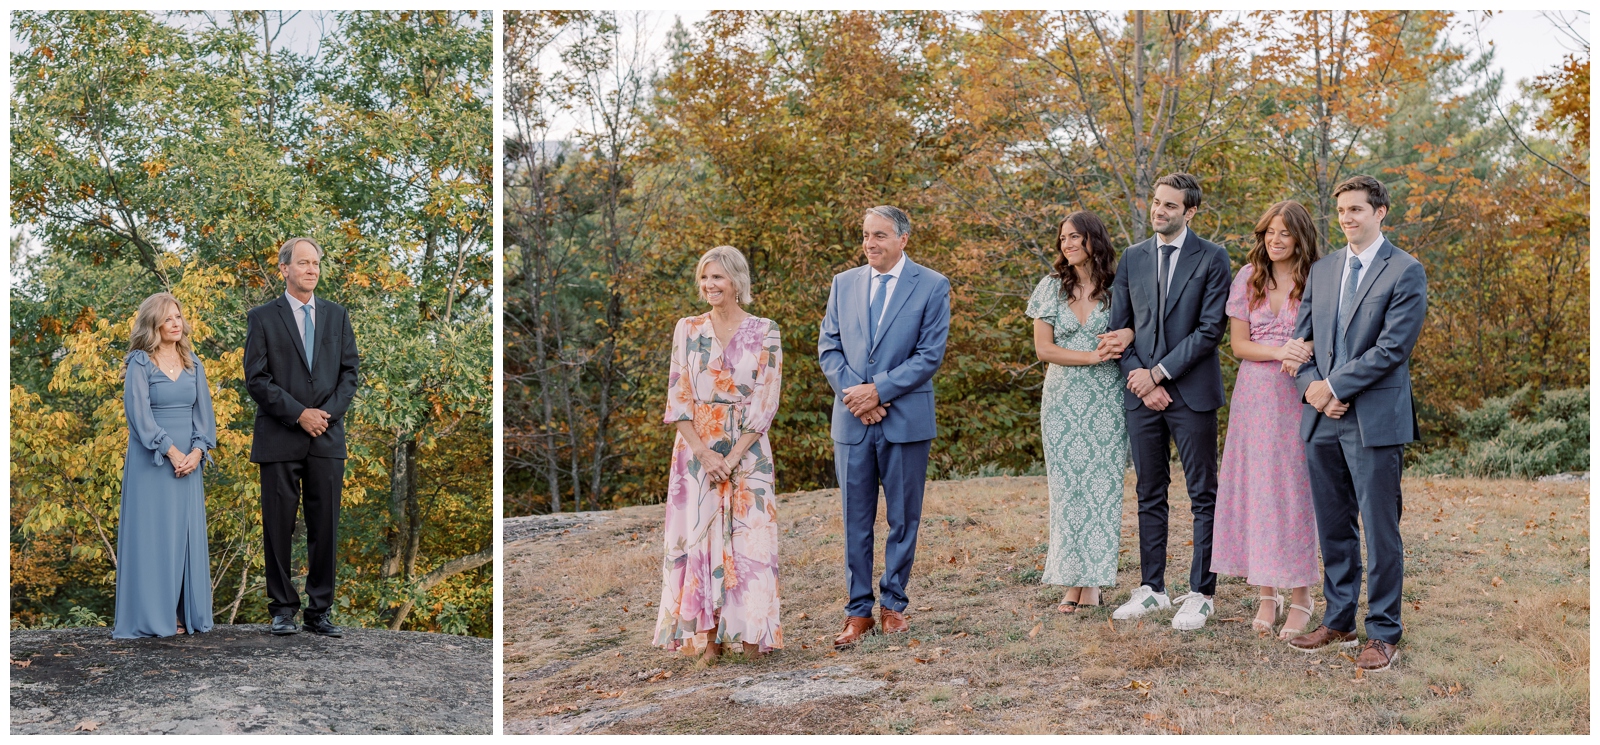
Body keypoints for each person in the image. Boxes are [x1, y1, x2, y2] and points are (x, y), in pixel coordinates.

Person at [1285, 175, 1426, 672]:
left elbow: (1392, 349)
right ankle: (1339, 617)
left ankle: (1384, 631)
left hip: (1374, 419)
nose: (1347, 218)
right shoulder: (1323, 271)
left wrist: (1335, 386)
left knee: (1380, 528)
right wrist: (1312, 389)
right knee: (1333, 525)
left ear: (1380, 212)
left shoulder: (1405, 271)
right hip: (1321, 418)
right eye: (1341, 211)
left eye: (1357, 210)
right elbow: (1299, 346)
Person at [1099, 173, 1232, 631]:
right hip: (1141, 394)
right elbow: (1120, 328)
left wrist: (1160, 374)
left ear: (1190, 212)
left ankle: (1201, 592)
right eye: (1156, 203)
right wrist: (1140, 379)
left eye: (1170, 206)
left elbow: (1210, 330)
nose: (1159, 211)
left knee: (1203, 495)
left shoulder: (1213, 258)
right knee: (1148, 492)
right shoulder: (1132, 258)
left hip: (1191, 393)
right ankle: (1152, 588)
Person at [818, 206, 951, 647]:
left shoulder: (932, 285)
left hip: (905, 420)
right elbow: (829, 349)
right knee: (855, 519)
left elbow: (930, 355)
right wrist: (856, 396)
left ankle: (893, 604)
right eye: (865, 236)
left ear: (903, 239)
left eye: (879, 235)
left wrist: (879, 391)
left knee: (902, 518)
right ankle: (858, 613)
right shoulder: (843, 284)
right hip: (852, 420)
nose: (870, 243)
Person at [653, 246, 785, 666]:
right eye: (705, 278)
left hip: (749, 449)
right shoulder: (687, 329)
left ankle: (751, 635)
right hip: (696, 449)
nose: (710, 285)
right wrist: (704, 453)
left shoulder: (766, 330)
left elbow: (766, 400)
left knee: (751, 540)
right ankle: (708, 639)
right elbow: (678, 397)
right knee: (701, 539)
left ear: (737, 282)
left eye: (718, 278)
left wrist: (734, 455)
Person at [1211, 201, 1321, 639]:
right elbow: (1239, 344)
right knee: (1257, 491)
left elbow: (1326, 333)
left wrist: (1305, 349)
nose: (1275, 241)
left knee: (1295, 492)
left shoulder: (1317, 278)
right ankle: (1266, 595)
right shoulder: (1248, 278)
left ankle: (1302, 596)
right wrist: (1279, 351)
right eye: (1269, 233)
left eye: (1284, 233)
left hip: (1297, 395)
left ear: (1300, 238)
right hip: (1255, 397)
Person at [244, 236, 360, 637]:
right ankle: (282, 610)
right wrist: (299, 414)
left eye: (316, 263)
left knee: (325, 524)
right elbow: (256, 379)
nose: (312, 269)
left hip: (327, 436)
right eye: (303, 263)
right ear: (284, 269)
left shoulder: (337, 315)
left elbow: (349, 374)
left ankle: (319, 611)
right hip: (279, 435)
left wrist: (324, 416)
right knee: (278, 526)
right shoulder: (262, 317)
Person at [1026, 211, 1128, 613]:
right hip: (1063, 400)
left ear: (1093, 240)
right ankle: (1071, 583)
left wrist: (1126, 336)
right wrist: (1090, 356)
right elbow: (1043, 350)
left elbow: (1137, 327)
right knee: (1068, 492)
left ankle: (1096, 583)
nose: (1067, 244)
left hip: (1108, 398)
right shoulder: (1050, 288)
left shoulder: (1119, 288)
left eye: (1075, 237)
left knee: (1103, 491)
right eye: (1062, 238)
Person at [112, 293, 218, 639]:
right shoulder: (139, 363)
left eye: (179, 317)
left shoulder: (194, 364)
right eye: (169, 318)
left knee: (183, 537)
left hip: (189, 464)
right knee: (153, 537)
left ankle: (186, 613)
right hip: (153, 463)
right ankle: (155, 616)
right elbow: (139, 419)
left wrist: (198, 452)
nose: (177, 323)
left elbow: (205, 417)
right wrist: (173, 452)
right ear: (153, 323)